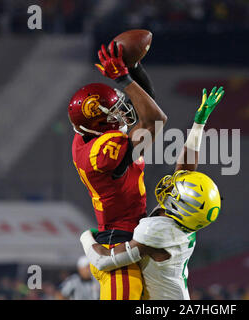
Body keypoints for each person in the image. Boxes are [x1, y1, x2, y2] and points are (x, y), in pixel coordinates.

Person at [80, 86, 224, 299]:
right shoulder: (184, 219)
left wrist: (86, 237)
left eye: (175, 191)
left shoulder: (158, 233)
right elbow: (185, 170)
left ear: (180, 207)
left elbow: (104, 261)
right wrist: (199, 124)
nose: (170, 185)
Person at [68, 41, 167, 300]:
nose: (121, 115)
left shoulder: (89, 135)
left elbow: (147, 109)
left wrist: (134, 68)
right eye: (113, 113)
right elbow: (155, 119)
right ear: (97, 123)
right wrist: (124, 78)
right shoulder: (103, 153)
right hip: (120, 244)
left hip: (129, 236)